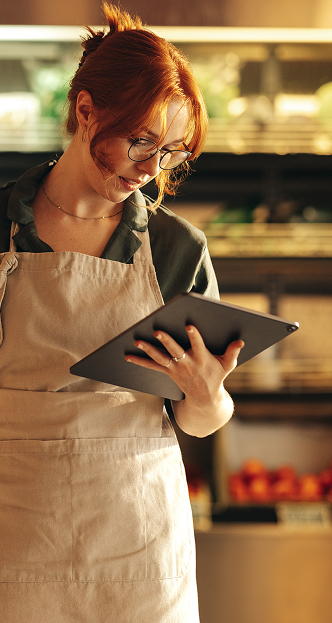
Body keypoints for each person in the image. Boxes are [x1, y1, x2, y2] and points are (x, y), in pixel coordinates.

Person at [0, 4, 243, 622]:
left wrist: (206, 393)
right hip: (16, 541)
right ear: (86, 112)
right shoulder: (3, 226)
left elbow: (203, 421)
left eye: (172, 154)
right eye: (141, 141)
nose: (152, 169)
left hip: (135, 549)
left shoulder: (176, 247)